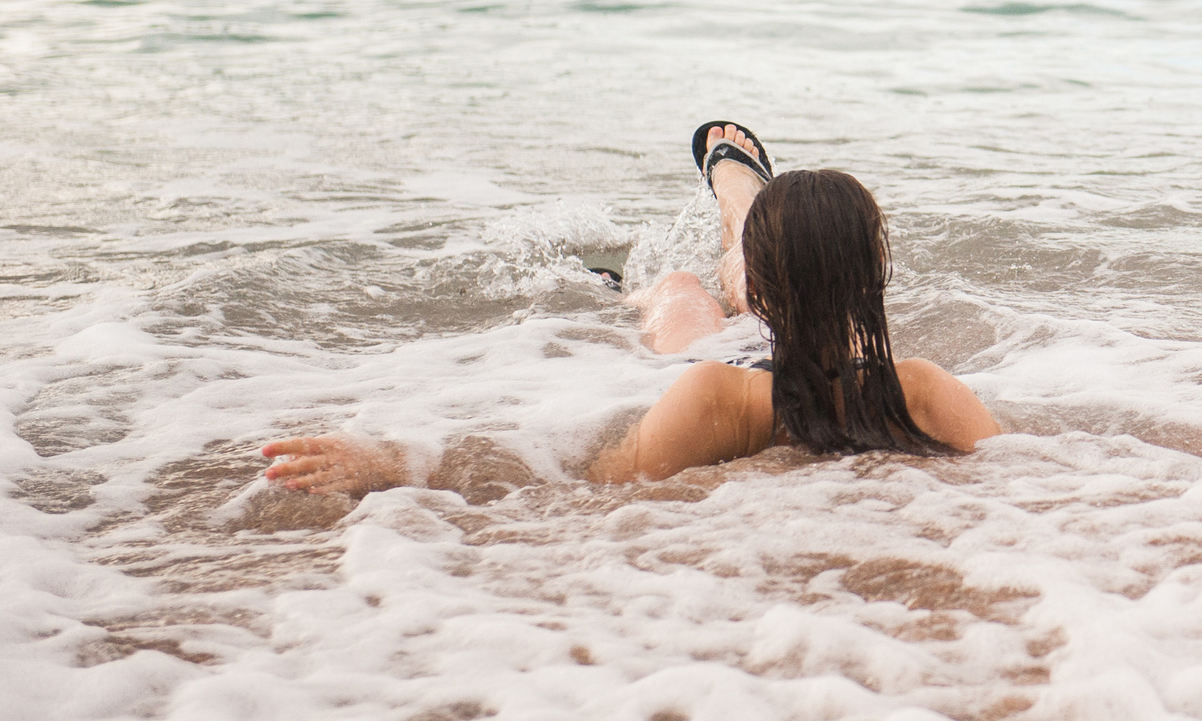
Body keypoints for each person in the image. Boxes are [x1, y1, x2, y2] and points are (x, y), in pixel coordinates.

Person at [260, 123, 1000, 496]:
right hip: (805, 345)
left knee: (679, 289)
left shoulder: (715, 397)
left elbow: (578, 484)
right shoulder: (926, 389)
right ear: (875, 278)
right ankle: (741, 203)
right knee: (722, 289)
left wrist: (392, 463)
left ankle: (684, 249)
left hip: (728, 357)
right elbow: (1031, 470)